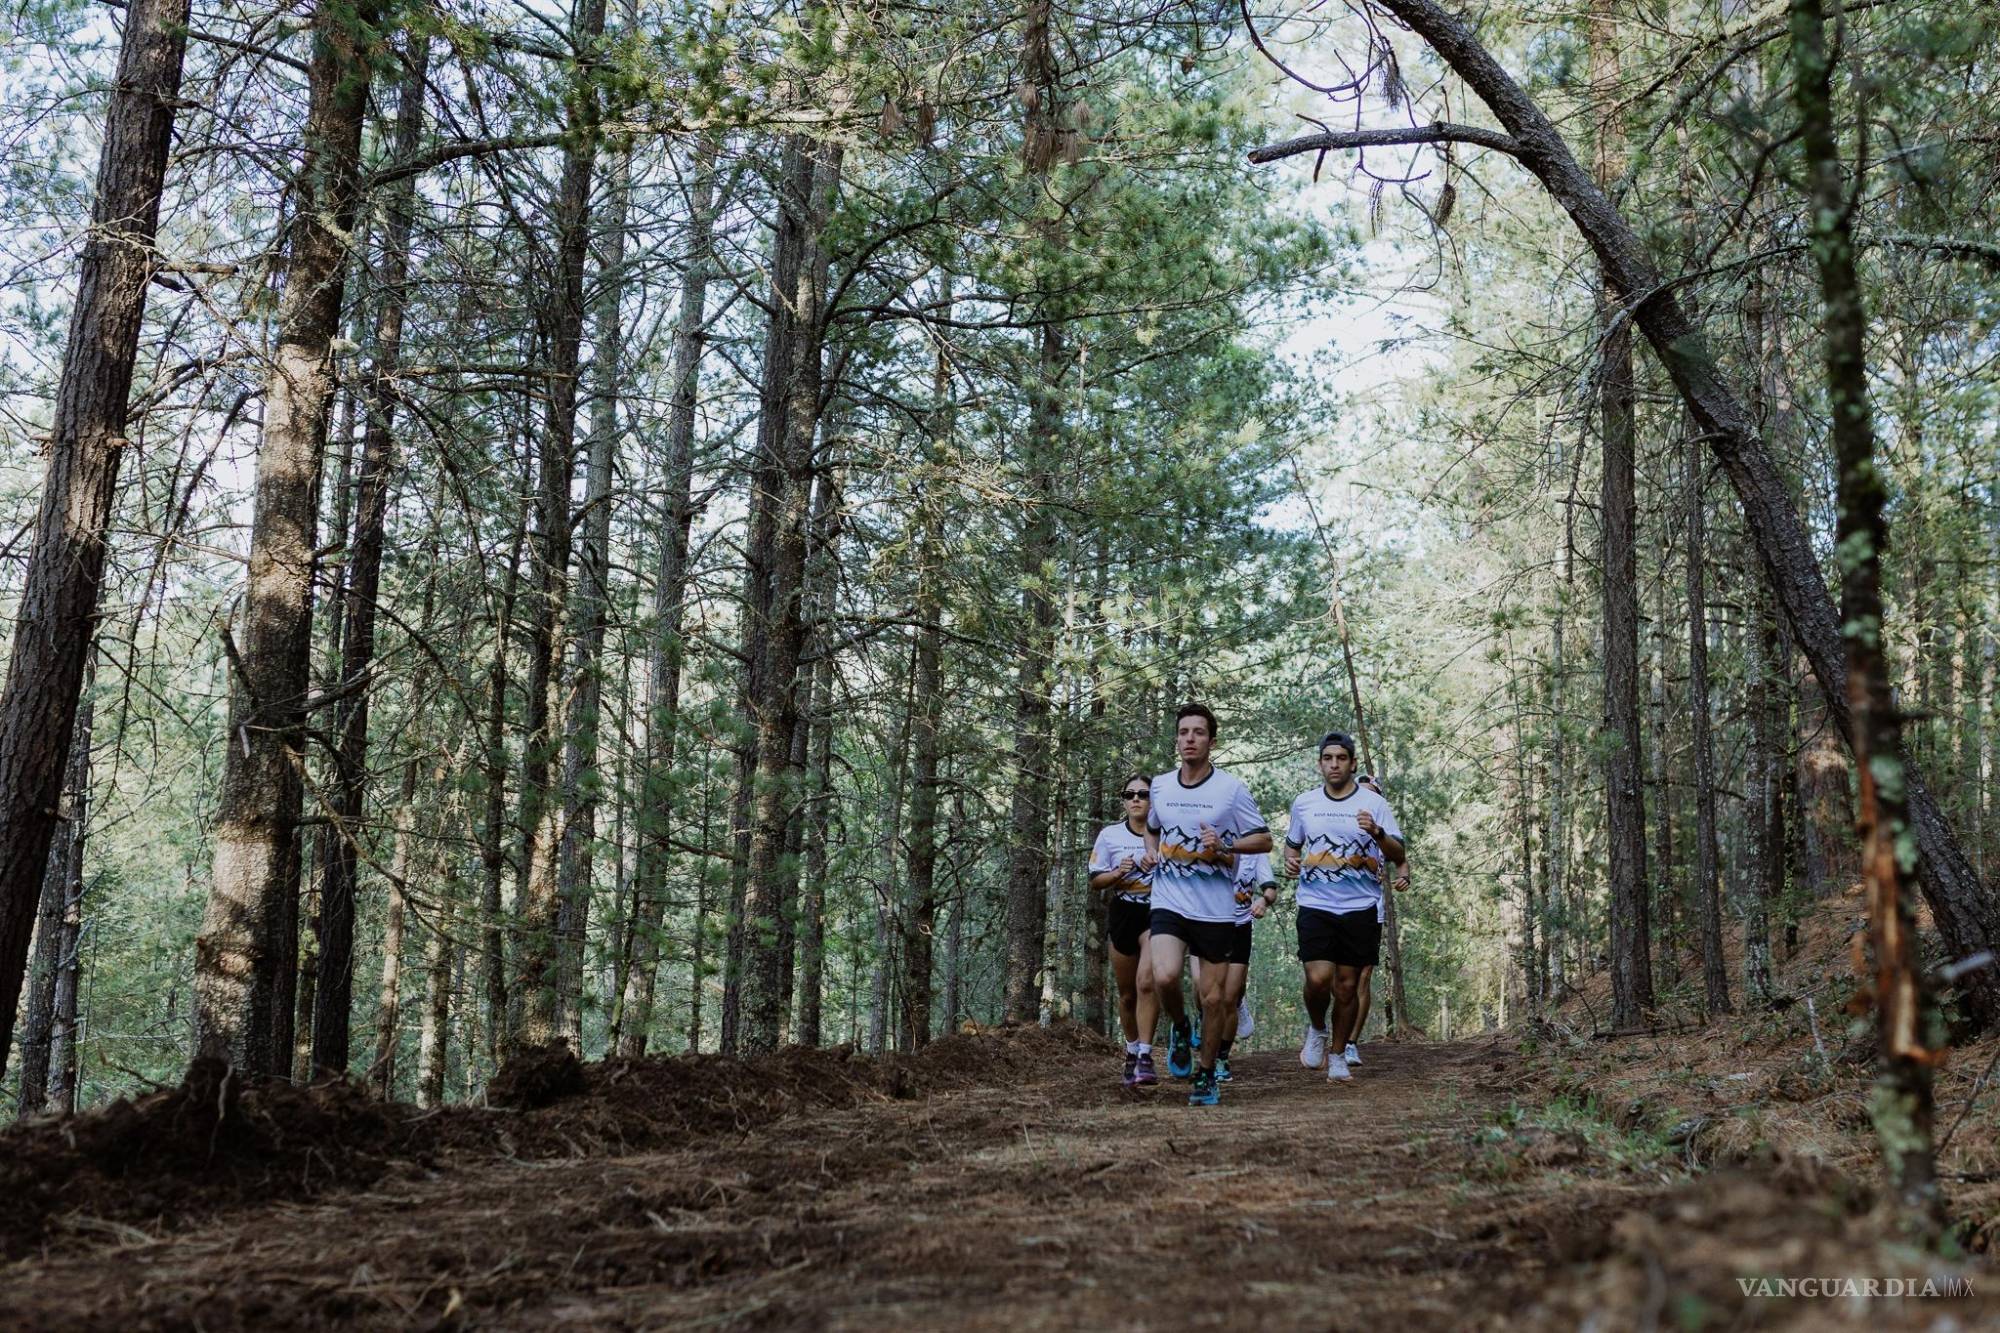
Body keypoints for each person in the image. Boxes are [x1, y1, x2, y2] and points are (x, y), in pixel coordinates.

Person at [1145, 703, 1272, 1107]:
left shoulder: (1231, 790)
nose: (1190, 739)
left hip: (1215, 906)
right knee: (1165, 975)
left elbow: (1265, 839)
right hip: (1169, 898)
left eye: (1198, 732)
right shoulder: (1161, 786)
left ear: (1211, 742)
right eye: (1184, 732)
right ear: (1176, 739)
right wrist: (1151, 852)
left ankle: (1205, 1074)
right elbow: (1151, 830)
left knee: (1213, 999)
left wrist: (1226, 844)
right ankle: (1181, 1028)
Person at [1284, 731, 1403, 1083]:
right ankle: (1317, 1028)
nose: (1334, 764)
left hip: (1360, 907)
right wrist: (1290, 861)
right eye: (1328, 758)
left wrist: (1377, 832)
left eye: (1341, 758)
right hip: (1315, 903)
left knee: (1348, 987)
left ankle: (1337, 1055)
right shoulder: (1304, 803)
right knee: (1318, 979)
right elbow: (1292, 845)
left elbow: (1399, 853)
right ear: (1320, 763)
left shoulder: (1374, 804)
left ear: (1352, 763)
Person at [1090, 774, 1162, 1087]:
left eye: (1143, 794)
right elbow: (1096, 880)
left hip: (1156, 912)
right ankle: (1132, 1051)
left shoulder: (1166, 834)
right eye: (1129, 794)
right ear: (1123, 801)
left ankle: (1146, 1055)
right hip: (1122, 912)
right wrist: (1119, 872)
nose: (1135, 799)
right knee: (1127, 994)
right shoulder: (1110, 835)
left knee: (1147, 983)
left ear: (1153, 801)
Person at [1346, 772, 1409, 1068]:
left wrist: (1404, 876)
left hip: (1371, 907)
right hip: (1332, 907)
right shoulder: (1339, 820)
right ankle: (1327, 1030)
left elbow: (1401, 857)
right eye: (1360, 792)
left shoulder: (1383, 826)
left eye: (1372, 793)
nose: (1365, 799)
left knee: (1363, 976)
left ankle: (1350, 1043)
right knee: (1335, 977)